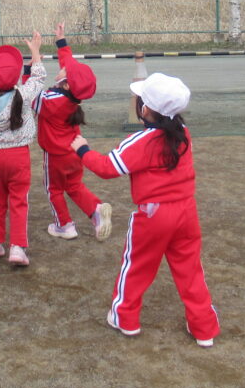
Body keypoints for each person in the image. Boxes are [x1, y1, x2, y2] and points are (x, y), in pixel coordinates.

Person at [71, 72, 220, 348]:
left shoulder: (142, 140)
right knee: (190, 271)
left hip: (153, 215)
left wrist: (83, 150)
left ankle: (125, 318)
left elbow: (107, 168)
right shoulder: (183, 133)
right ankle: (204, 327)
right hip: (186, 212)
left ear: (146, 109)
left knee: (136, 266)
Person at [0, 32, 46, 266]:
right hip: (18, 155)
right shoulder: (22, 95)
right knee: (18, 200)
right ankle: (17, 247)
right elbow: (39, 78)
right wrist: (35, 52)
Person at [34, 22, 111, 241]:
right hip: (75, 149)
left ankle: (64, 226)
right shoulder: (72, 96)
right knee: (74, 185)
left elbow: (30, 95)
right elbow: (69, 64)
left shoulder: (53, 102)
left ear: (66, 84)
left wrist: (34, 61)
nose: (64, 67)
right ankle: (96, 211)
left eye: (65, 70)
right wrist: (61, 42)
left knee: (54, 189)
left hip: (56, 155)